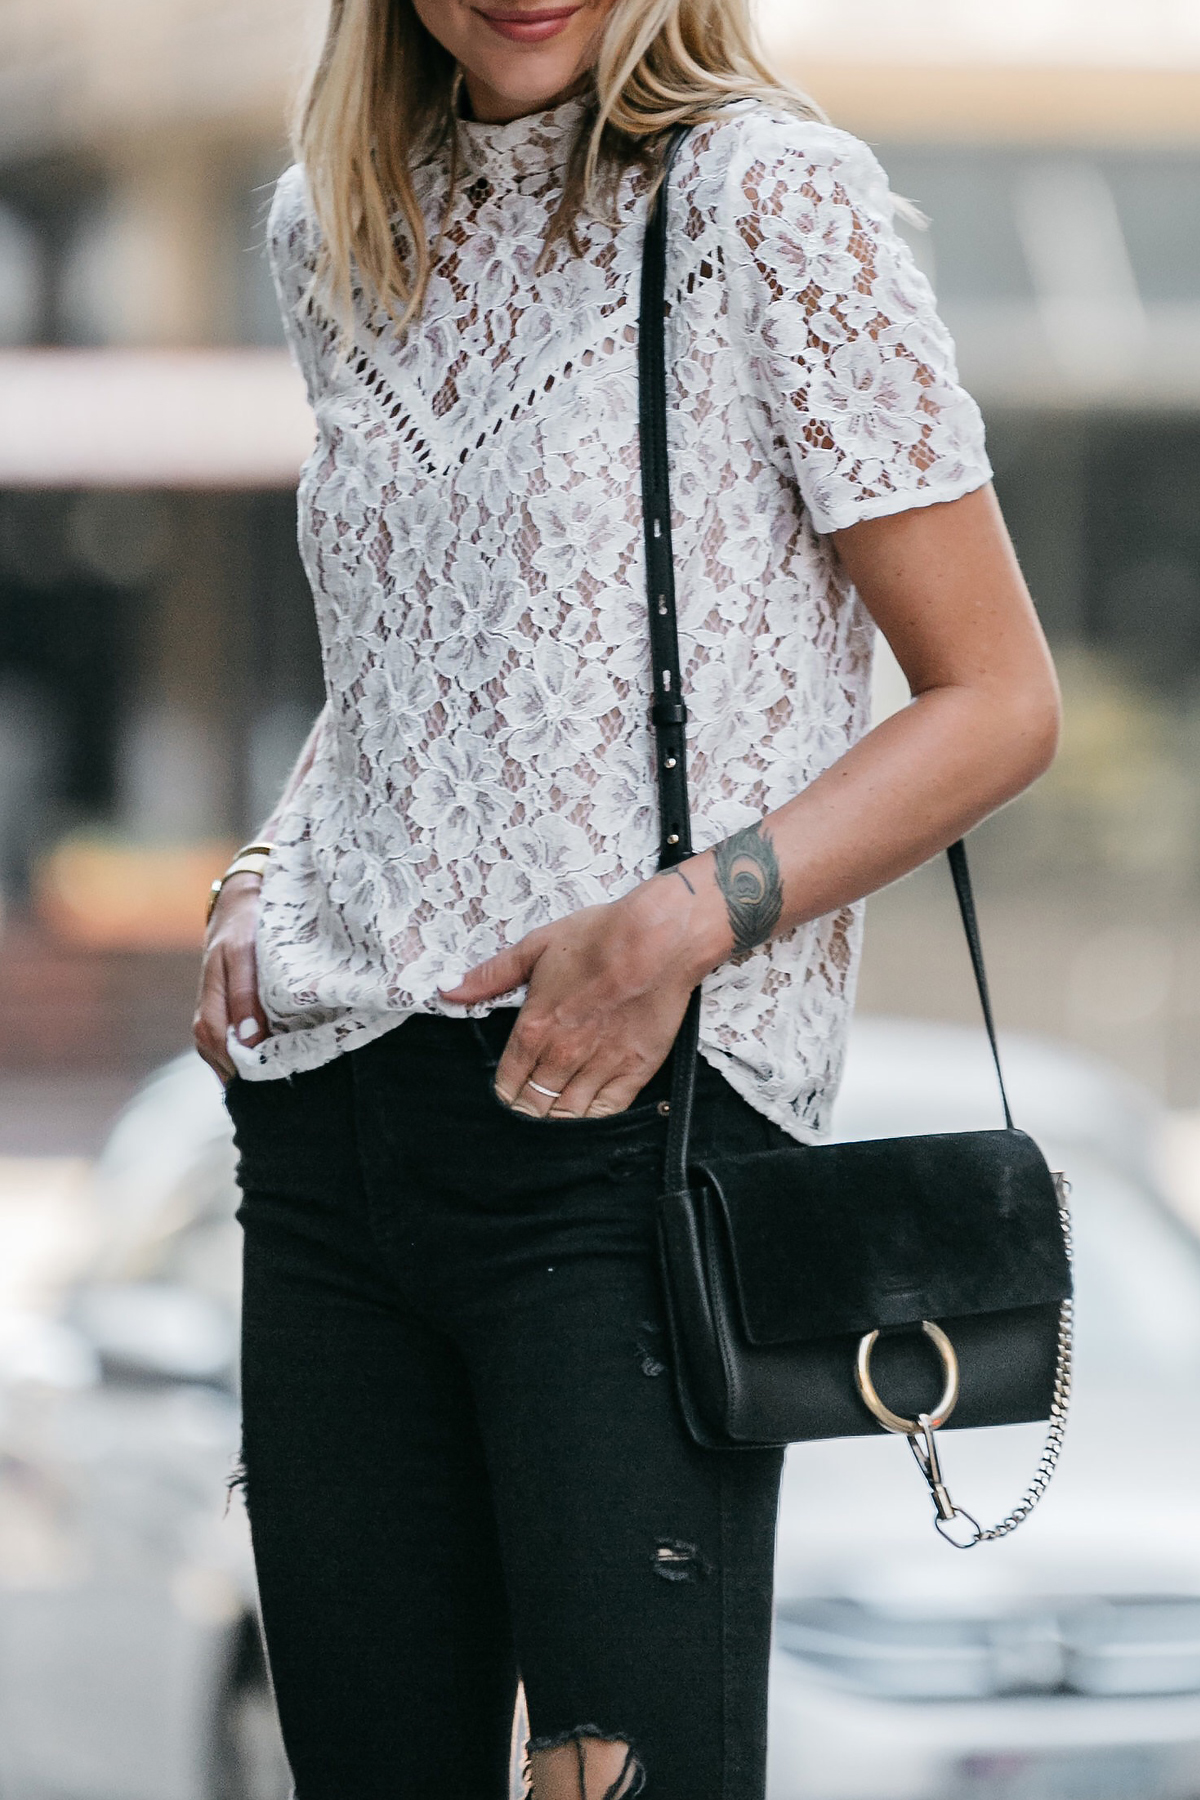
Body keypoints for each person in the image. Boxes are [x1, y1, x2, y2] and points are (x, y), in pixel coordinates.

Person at [193, 2, 1060, 1794]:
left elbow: (997, 699)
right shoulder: (333, 225)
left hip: (625, 1136)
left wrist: (683, 920)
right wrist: (263, 870)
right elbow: (408, 672)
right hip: (327, 1137)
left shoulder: (772, 202)